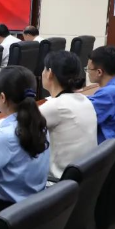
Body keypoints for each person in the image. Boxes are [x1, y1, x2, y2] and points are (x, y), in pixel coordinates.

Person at [0, 66, 50, 218]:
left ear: (2, 97)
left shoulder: (5, 136)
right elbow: (3, 148)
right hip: (32, 202)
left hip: (5, 210)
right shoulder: (37, 124)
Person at [39, 51, 97, 179]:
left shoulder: (56, 106)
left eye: (44, 69)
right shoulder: (85, 100)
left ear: (50, 73)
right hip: (83, 179)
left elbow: (16, 129)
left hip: (57, 182)